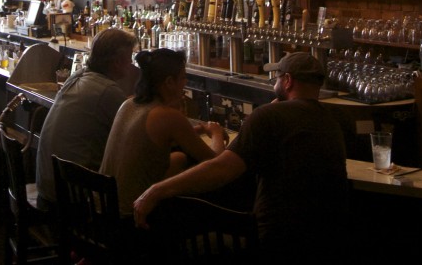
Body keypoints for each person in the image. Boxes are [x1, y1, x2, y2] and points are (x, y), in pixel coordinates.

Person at [132, 52, 349, 262]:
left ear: (288, 81)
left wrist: (158, 190)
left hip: (273, 241)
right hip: (327, 239)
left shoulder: (269, 116)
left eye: (277, 77)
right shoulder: (332, 120)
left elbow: (222, 168)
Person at [100, 48, 226, 216]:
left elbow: (149, 141)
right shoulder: (167, 116)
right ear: (169, 82)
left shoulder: (128, 103)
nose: (185, 83)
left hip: (103, 210)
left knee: (179, 158)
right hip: (132, 219)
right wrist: (216, 132)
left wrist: (195, 130)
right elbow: (216, 164)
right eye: (183, 78)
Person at [35, 28, 138, 208]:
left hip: (48, 188)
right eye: (129, 58)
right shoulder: (107, 91)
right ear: (116, 62)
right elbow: (137, 135)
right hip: (74, 200)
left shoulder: (76, 77)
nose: (131, 63)